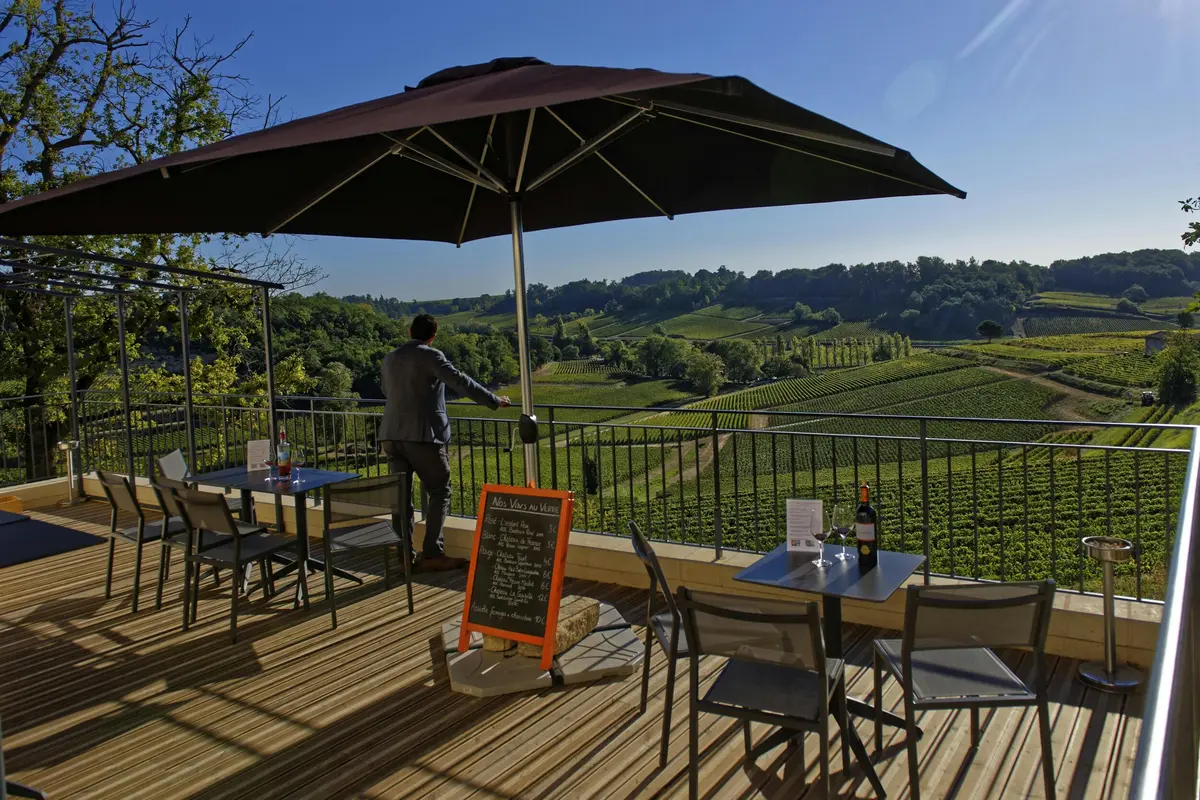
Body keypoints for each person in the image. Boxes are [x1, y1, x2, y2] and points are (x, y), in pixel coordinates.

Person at [378, 313, 510, 570]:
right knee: (440, 490)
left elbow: (387, 391)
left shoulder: (390, 358)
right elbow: (461, 382)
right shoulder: (431, 355)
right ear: (432, 335)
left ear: (409, 332)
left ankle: (404, 557)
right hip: (423, 436)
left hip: (391, 436)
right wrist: (494, 400)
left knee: (402, 499)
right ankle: (432, 554)